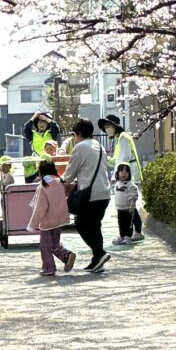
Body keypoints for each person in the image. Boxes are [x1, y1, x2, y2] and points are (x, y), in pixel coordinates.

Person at [62, 117, 112, 273]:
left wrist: (58, 182)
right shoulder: (99, 146)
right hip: (104, 193)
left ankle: (100, 253)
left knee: (81, 224)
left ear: (78, 133)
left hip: (90, 194)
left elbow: (68, 175)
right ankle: (97, 259)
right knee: (94, 226)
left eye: (74, 135)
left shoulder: (80, 147)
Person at [27, 156, 76, 278]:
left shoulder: (42, 187)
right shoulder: (59, 183)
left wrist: (32, 225)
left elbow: (40, 208)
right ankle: (66, 255)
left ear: (40, 172)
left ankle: (49, 267)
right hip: (60, 219)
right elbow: (70, 189)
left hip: (47, 221)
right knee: (54, 244)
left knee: (45, 246)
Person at [111, 158, 142, 243]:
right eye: (121, 171)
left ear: (129, 174)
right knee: (121, 223)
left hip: (128, 209)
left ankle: (128, 236)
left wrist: (132, 205)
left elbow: (133, 196)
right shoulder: (117, 183)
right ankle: (122, 236)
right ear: (118, 173)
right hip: (120, 209)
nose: (123, 173)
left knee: (129, 224)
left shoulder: (130, 185)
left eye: (126, 171)